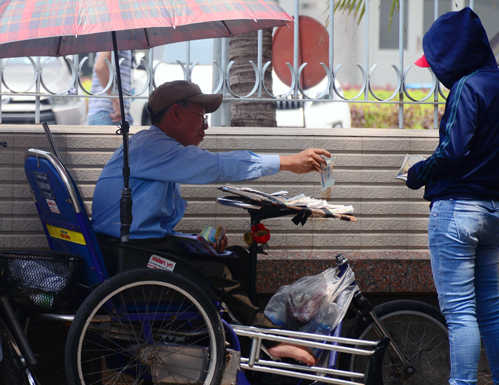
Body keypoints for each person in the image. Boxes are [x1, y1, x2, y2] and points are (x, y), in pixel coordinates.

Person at [91, 79, 330, 364]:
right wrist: (287, 161)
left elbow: (156, 228)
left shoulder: (156, 149)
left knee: (237, 257)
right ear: (176, 113)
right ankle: (270, 341)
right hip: (125, 255)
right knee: (215, 270)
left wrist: (195, 242)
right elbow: (216, 166)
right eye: (201, 115)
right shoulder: (152, 146)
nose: (206, 125)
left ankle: (242, 346)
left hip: (136, 248)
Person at [405, 8, 499, 385]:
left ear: (451, 56)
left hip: (456, 213)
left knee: (460, 316)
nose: (437, 72)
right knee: (491, 311)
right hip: (492, 212)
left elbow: (452, 151)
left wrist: (417, 173)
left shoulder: (466, 88)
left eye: (437, 62)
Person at [87, 50, 133, 125]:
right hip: (109, 112)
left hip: (109, 113)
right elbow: (100, 68)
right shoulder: (118, 37)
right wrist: (116, 102)